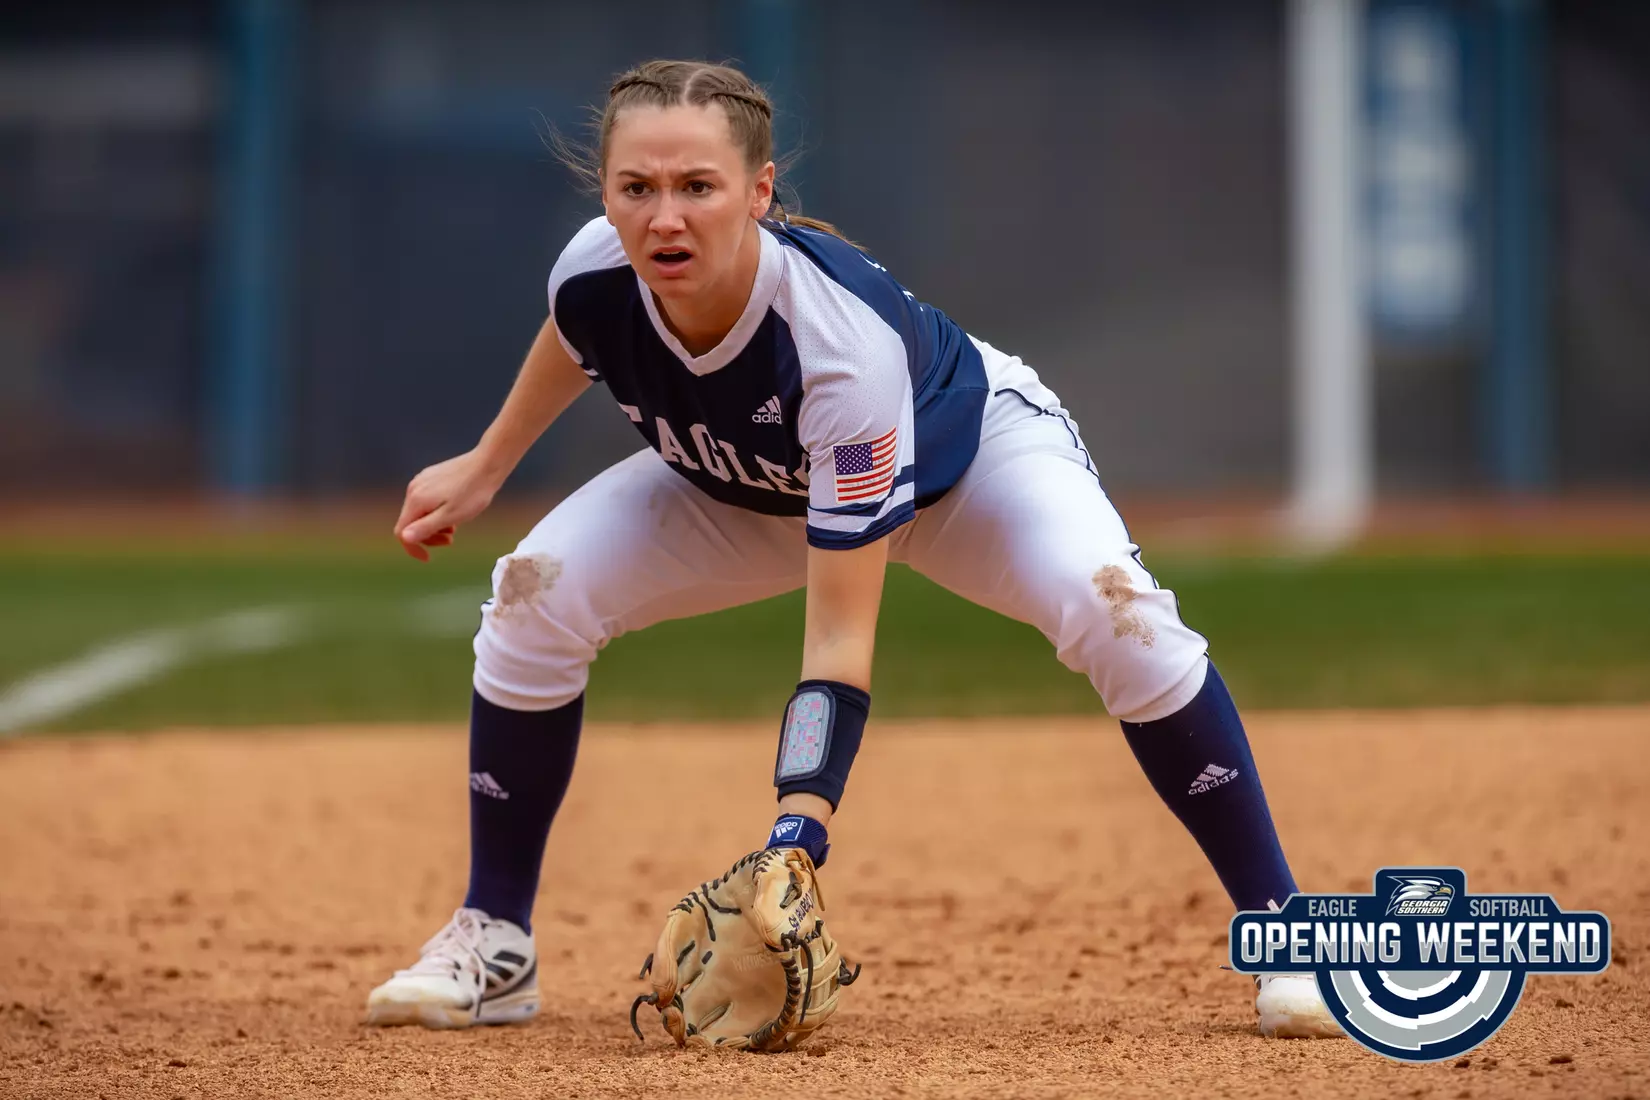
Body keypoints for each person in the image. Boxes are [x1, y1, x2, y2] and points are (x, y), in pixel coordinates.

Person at [366, 58, 1340, 1040]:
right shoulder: (593, 270)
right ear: (607, 194)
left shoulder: (835, 344)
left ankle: (1285, 926)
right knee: (534, 591)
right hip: (753, 488)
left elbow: (837, 636)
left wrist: (800, 830)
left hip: (964, 471)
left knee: (1114, 608)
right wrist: (487, 464)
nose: (666, 217)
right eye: (638, 188)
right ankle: (495, 937)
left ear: (759, 192)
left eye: (698, 187)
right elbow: (574, 336)